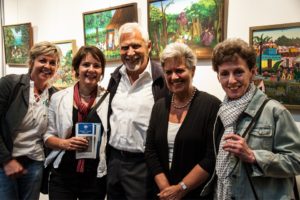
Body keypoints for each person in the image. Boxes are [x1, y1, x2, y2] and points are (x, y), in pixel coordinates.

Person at [202, 38, 300, 199]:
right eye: (225, 74)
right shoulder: (220, 112)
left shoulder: (275, 111)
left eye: (238, 72)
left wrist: (254, 156)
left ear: (252, 72)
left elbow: (296, 161)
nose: (232, 80)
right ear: (218, 77)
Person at [145, 42, 221, 199]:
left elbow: (211, 156)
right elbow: (150, 150)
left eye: (179, 70)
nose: (174, 77)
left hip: (195, 193)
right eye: (168, 72)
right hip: (162, 194)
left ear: (192, 71)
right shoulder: (159, 106)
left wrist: (181, 188)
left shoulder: (212, 105)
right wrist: (166, 189)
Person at [106, 22, 169, 199]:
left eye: (136, 46)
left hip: (144, 165)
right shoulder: (116, 77)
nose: (130, 52)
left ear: (148, 46)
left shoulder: (162, 79)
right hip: (114, 161)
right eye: (125, 47)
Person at [44, 46, 108, 199]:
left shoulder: (109, 99)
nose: (91, 69)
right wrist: (65, 143)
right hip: (63, 176)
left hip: (95, 178)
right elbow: (47, 137)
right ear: (76, 69)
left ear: (102, 72)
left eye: (96, 65)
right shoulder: (58, 98)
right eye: (86, 64)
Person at [0, 41, 61, 200]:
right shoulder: (10, 84)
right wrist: (6, 161)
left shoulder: (55, 95)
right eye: (42, 60)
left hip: (35, 162)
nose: (47, 66)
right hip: (5, 161)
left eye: (52, 62)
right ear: (31, 62)